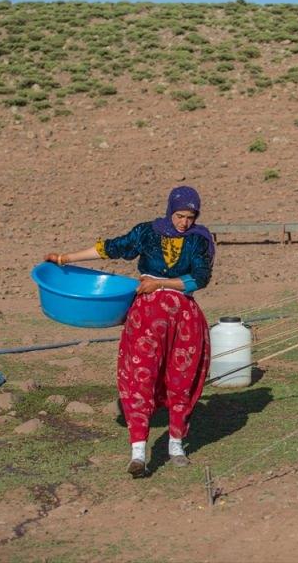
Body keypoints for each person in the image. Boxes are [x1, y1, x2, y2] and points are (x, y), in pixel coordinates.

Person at [45, 186, 214, 477]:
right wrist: (65, 258)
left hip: (183, 320)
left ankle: (176, 444)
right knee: (140, 377)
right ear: (169, 210)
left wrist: (161, 285)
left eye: (190, 216)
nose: (184, 222)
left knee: (180, 379)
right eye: (180, 215)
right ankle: (138, 453)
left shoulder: (199, 240)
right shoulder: (147, 233)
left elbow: (200, 278)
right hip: (146, 320)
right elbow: (111, 247)